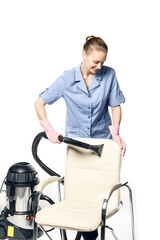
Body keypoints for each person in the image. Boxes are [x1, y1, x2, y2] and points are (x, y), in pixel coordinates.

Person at [34, 35, 126, 240]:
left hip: (103, 144)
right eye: (96, 62)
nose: (100, 66)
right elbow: (39, 103)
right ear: (83, 55)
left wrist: (116, 133)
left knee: (98, 197)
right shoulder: (67, 79)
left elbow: (115, 106)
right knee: (81, 197)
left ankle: (88, 235)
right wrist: (49, 129)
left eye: (103, 62)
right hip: (77, 147)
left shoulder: (109, 75)